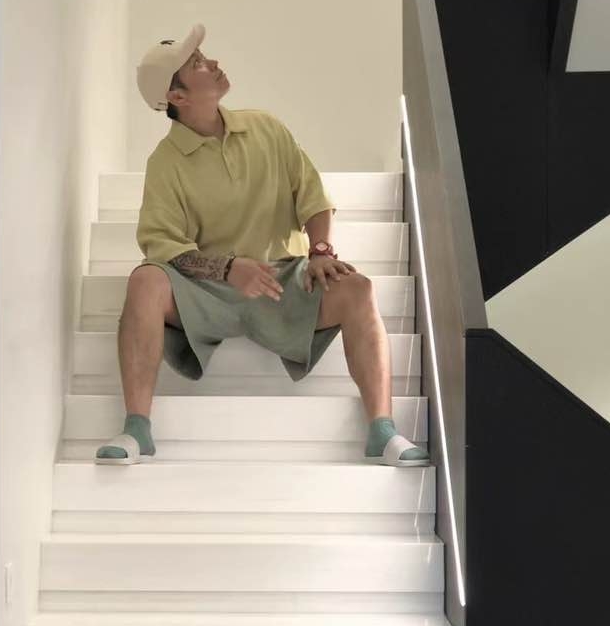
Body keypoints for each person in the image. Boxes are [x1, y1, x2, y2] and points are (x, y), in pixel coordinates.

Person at [96, 23, 430, 468]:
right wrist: (226, 268)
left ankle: (383, 430)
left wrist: (320, 251)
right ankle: (137, 427)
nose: (213, 63)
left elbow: (313, 197)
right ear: (176, 96)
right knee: (145, 281)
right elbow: (161, 246)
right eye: (197, 64)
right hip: (206, 292)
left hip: (285, 281)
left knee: (358, 288)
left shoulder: (266, 128)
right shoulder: (164, 163)